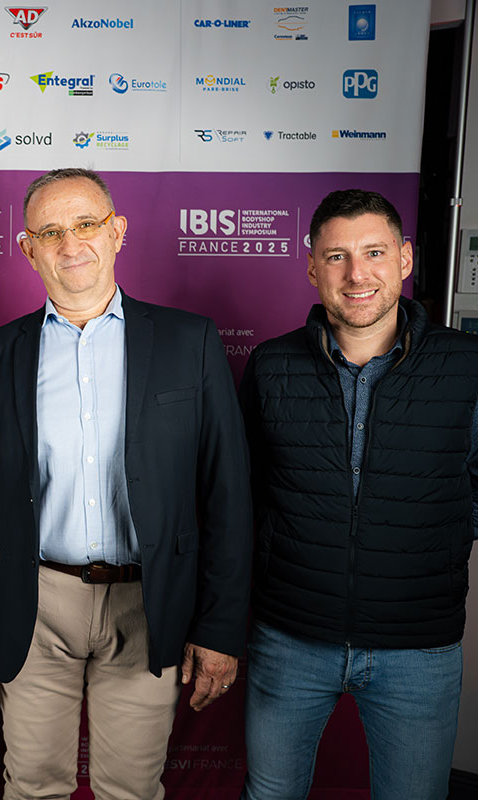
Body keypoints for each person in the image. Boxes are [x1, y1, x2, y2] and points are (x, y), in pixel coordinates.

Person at [0, 168, 252, 800]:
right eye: (50, 232)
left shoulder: (188, 341)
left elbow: (227, 496)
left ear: (118, 232)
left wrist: (220, 628)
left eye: (86, 224)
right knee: (31, 788)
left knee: (131, 790)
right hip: (34, 603)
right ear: (27, 249)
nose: (71, 243)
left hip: (150, 602)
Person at [239, 189, 478, 800]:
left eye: (374, 253)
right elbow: (246, 495)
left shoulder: (467, 365)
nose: (356, 274)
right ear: (312, 267)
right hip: (290, 639)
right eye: (336, 256)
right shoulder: (271, 365)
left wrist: (438, 545)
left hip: (418, 647)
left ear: (405, 258)